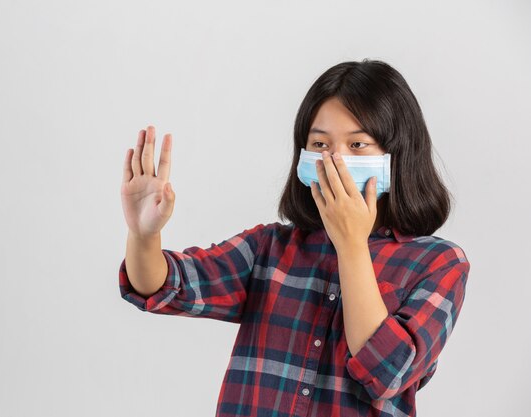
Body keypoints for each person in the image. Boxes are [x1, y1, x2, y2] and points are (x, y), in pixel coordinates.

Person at [118, 59, 471, 417]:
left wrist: (351, 244)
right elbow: (162, 285)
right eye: (320, 142)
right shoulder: (269, 249)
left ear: (397, 155)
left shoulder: (439, 264)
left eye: (358, 144)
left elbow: (386, 372)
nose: (334, 159)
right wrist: (144, 235)